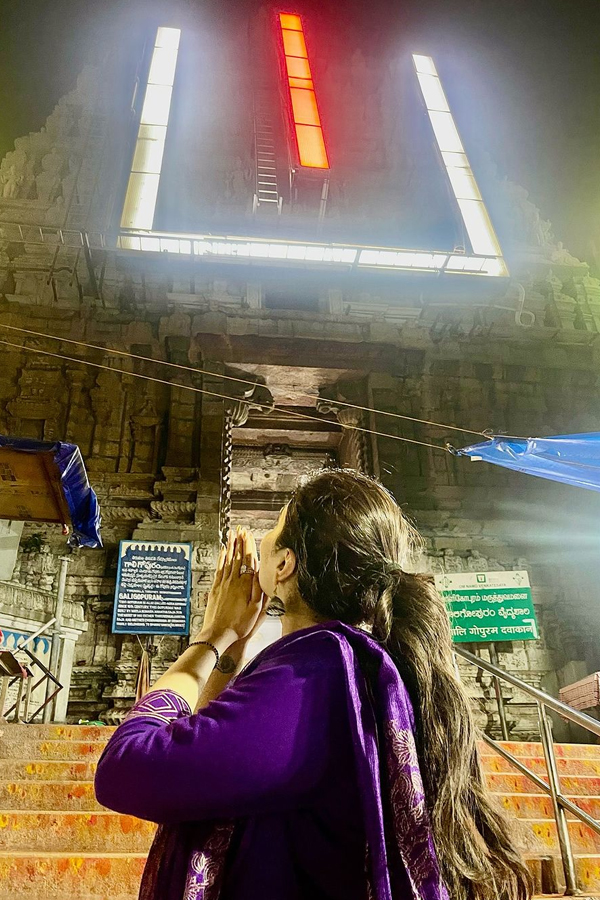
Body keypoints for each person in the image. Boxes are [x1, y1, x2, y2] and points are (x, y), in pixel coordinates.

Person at [95, 469, 531, 900]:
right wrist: (232, 647)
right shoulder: (336, 666)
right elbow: (213, 757)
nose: (262, 540)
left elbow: (126, 768)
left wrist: (208, 639)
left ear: (284, 564)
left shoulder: (315, 673)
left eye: (274, 528)